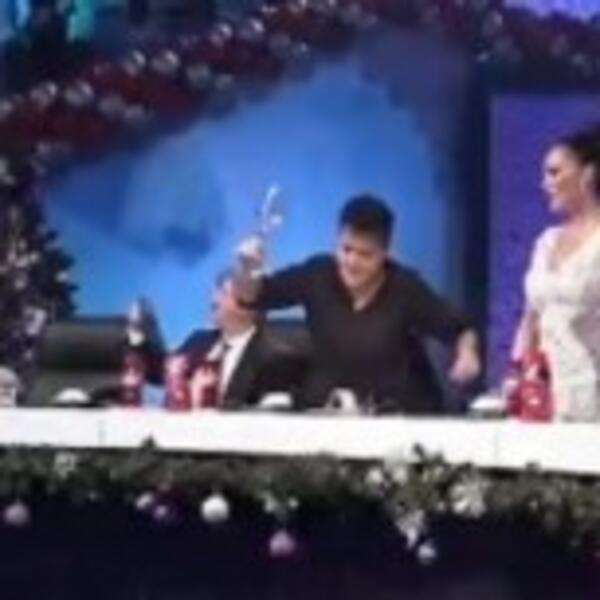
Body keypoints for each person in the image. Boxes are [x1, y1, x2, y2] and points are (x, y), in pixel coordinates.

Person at [234, 194, 480, 414]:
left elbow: (460, 329)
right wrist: (246, 269)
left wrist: (467, 354)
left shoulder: (405, 288)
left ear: (385, 253)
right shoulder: (317, 275)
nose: (352, 262)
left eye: (365, 254)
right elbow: (251, 297)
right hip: (325, 413)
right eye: (346, 249)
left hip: (396, 417)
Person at [510, 124, 600, 421]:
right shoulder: (546, 242)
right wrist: (518, 373)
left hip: (591, 391)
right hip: (542, 394)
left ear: (587, 175)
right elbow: (531, 317)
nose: (545, 183)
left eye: (554, 172)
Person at [177, 272, 308, 409]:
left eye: (224, 293)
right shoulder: (196, 342)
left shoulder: (275, 357)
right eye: (216, 292)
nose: (214, 300)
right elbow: (169, 380)